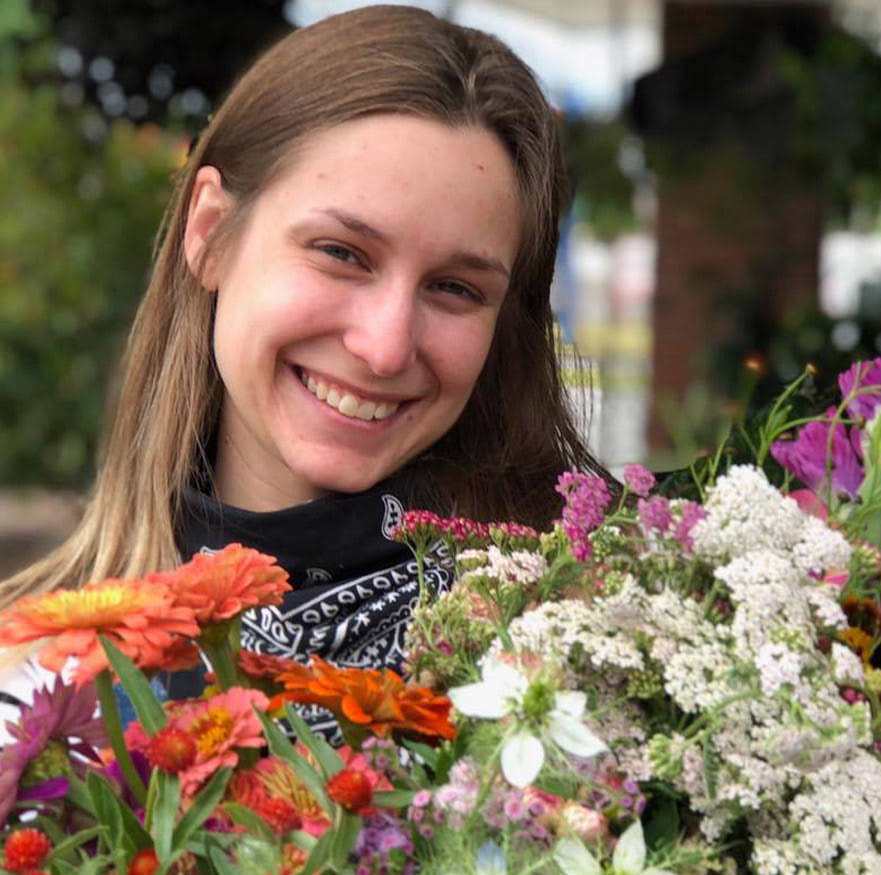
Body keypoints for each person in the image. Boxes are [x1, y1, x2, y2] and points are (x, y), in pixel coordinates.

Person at [0, 5, 607, 731]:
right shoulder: (31, 692)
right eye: (342, 253)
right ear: (210, 232)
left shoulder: (574, 659)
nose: (385, 347)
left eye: (455, 288)